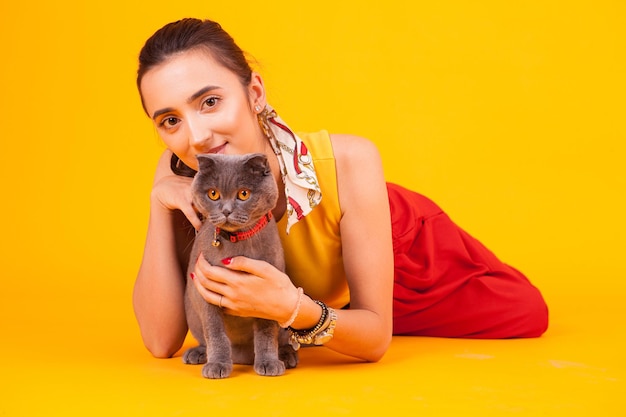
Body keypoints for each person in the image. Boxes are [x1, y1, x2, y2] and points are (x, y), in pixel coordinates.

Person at [133, 18, 548, 362]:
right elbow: (160, 340)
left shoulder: (352, 161)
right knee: (347, 318)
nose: (197, 136)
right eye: (170, 121)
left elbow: (375, 340)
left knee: (524, 311)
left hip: (393, 240)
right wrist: (158, 202)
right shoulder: (183, 170)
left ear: (254, 93)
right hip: (330, 290)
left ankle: (354, 294)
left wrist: (294, 311)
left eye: (209, 102)